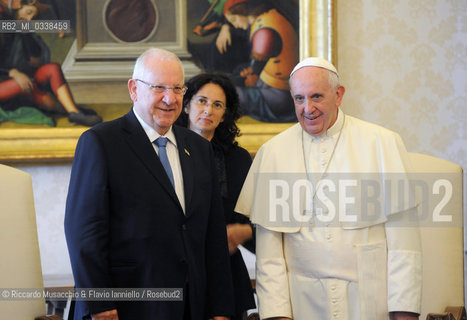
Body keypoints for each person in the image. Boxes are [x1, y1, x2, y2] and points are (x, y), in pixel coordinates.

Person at [234, 57, 422, 319]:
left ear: (339, 95)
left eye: (316, 97)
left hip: (371, 302)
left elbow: (405, 244)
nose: (307, 108)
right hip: (303, 303)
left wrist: (404, 311)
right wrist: (277, 314)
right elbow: (270, 256)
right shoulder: (273, 152)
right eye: (299, 98)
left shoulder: (382, 143)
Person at [65, 48, 234, 320]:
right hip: (127, 308)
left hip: (192, 306)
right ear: (134, 89)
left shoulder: (199, 149)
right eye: (159, 88)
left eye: (178, 88)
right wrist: (100, 304)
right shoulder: (101, 143)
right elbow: (84, 232)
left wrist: (221, 308)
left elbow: (212, 236)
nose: (170, 98)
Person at [177, 72, 256, 319]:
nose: (208, 110)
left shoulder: (238, 159)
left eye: (217, 105)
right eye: (201, 101)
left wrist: (246, 231)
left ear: (224, 115)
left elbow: (258, 218)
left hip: (225, 273)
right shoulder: (164, 151)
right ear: (186, 105)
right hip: (178, 275)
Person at [0, 0, 102, 126]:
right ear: (18, 7)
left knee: (52, 68)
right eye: (28, 13)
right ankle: (70, 110)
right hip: (5, 81)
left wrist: (25, 34)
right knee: (26, 85)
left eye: (32, 16)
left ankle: (73, 112)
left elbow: (35, 62)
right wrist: (13, 72)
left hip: (20, 77)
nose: (29, 18)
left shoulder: (18, 27)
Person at [223, 0, 298, 123]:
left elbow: (253, 77)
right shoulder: (269, 18)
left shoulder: (264, 30)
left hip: (277, 97)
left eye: (234, 20)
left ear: (242, 10)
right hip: (272, 87)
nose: (235, 25)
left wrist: (227, 81)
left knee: (227, 94)